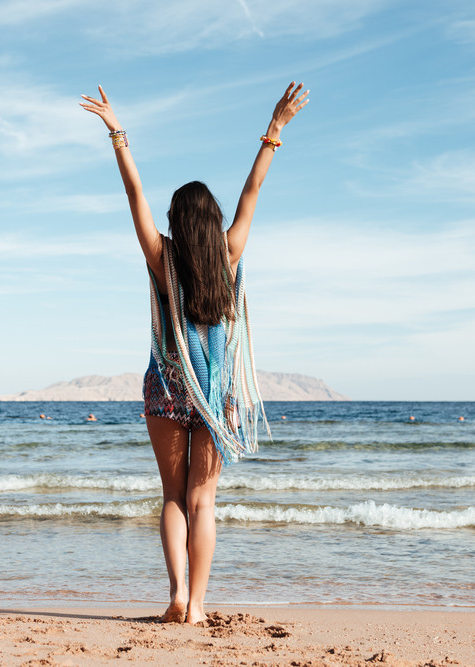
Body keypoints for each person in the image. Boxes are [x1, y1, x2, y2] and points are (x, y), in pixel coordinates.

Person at [80, 81, 309, 625]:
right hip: (215, 395)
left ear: (179, 222)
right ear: (212, 223)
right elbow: (252, 195)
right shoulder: (228, 255)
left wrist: (118, 135)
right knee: (204, 502)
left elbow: (134, 196)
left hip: (166, 386)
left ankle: (177, 595)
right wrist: (273, 133)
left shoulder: (162, 258)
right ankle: (199, 605)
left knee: (173, 498)